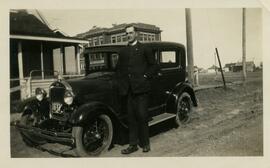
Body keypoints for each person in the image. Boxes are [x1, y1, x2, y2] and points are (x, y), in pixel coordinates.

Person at [115, 25, 159, 154]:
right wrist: (121, 84)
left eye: (131, 32)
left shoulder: (144, 49)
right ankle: (133, 145)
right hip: (128, 91)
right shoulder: (123, 52)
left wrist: (145, 76)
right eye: (127, 33)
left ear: (136, 34)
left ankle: (145, 144)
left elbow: (154, 66)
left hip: (141, 90)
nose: (129, 35)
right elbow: (119, 70)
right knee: (131, 118)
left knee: (142, 116)